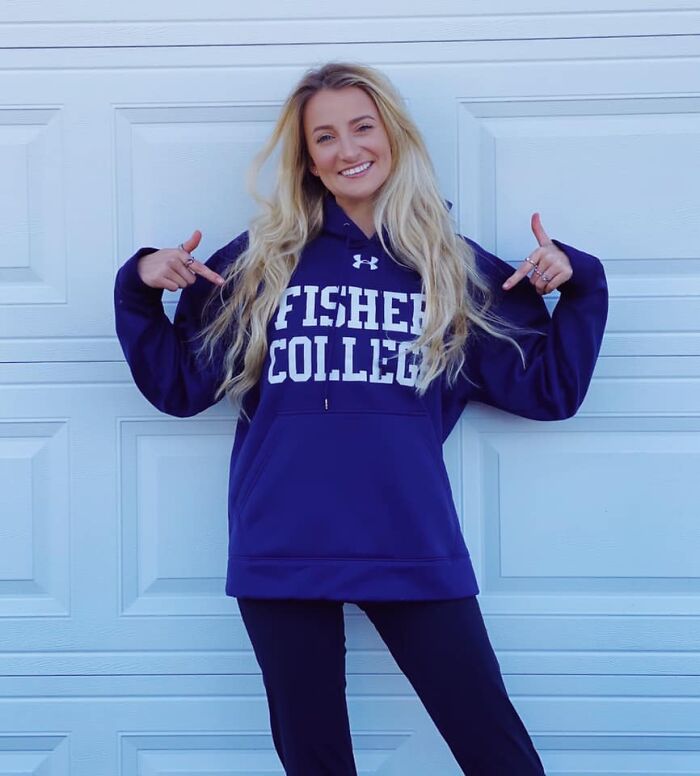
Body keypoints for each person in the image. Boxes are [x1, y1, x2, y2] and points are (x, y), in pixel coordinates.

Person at [114, 61, 608, 775]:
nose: (348, 150)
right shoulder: (260, 264)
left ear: (394, 137)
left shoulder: (449, 267)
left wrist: (579, 281)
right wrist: (138, 288)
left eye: (362, 127)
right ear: (308, 160)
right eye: (325, 137)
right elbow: (180, 384)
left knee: (496, 752)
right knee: (317, 764)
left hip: (408, 539)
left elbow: (550, 390)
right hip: (280, 547)